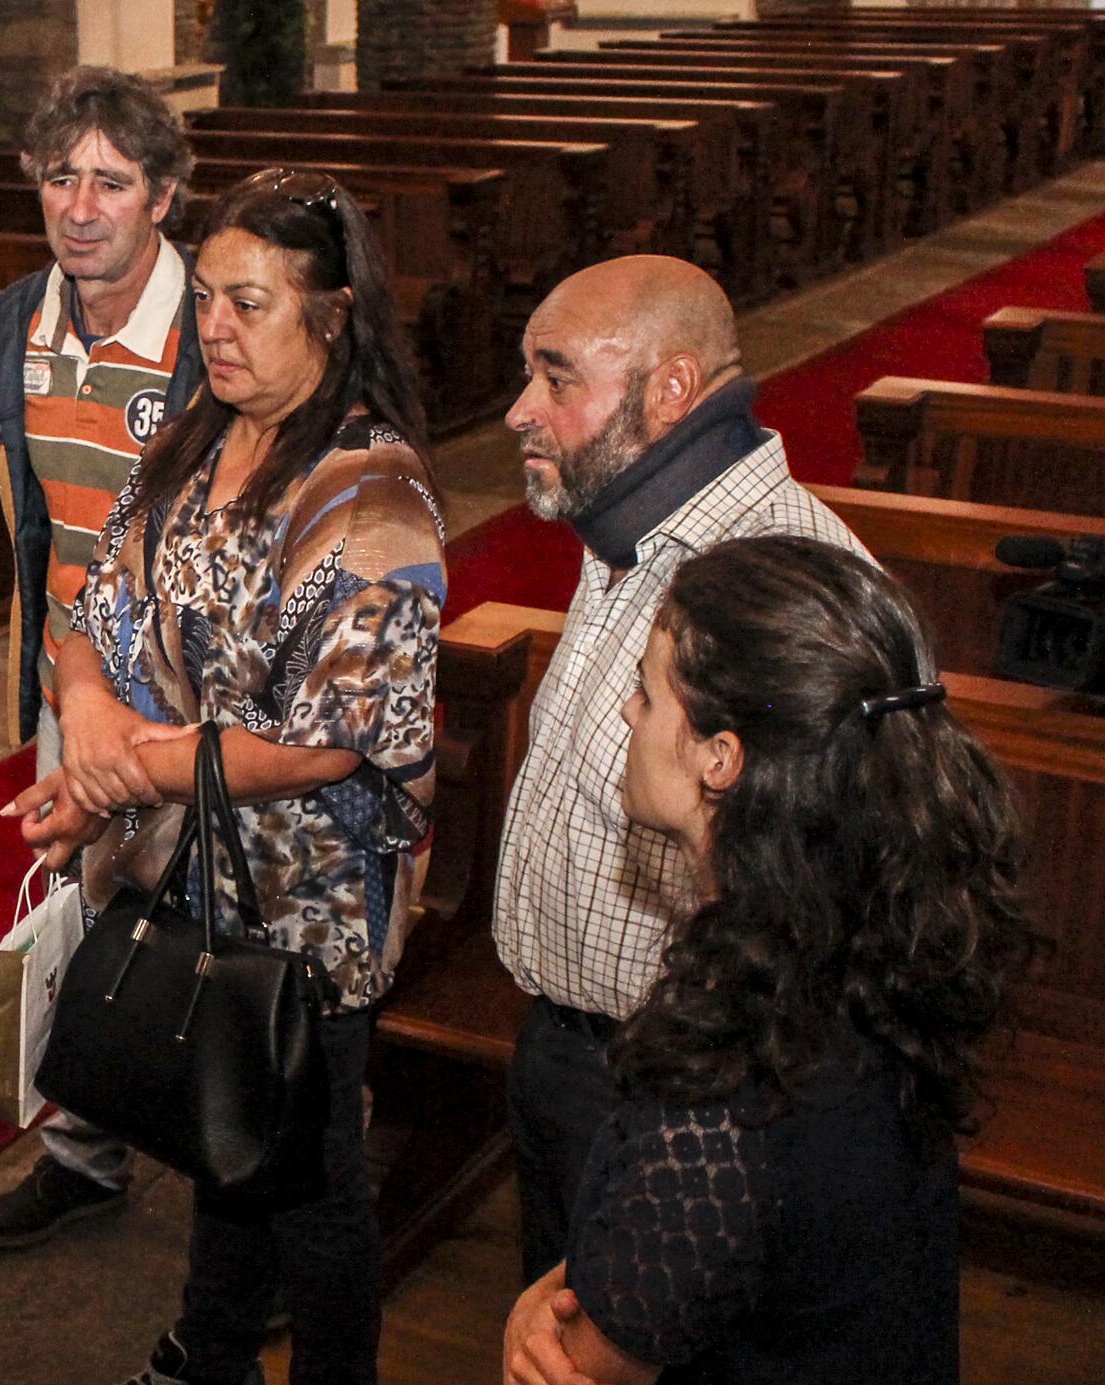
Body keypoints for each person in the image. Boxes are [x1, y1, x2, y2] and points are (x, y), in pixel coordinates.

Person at [10, 168, 447, 1385]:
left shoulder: (372, 488)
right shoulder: (198, 435)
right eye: (204, 297)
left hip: (308, 896)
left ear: (334, 312)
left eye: (249, 303)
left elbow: (331, 733)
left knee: (311, 1184)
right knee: (222, 1135)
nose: (214, 326)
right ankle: (207, 1347)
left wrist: (119, 774)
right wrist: (88, 707)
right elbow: (93, 600)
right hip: (187, 855)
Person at [500, 536, 1038, 1385]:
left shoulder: (720, 1093)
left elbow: (578, 1365)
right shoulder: (877, 949)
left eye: (645, 693)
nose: (629, 716)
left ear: (722, 756)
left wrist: (528, 1321)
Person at [488, 255, 864, 1286]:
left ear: (671, 389)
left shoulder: (784, 587)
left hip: (695, 1087)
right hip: (568, 1051)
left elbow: (818, 910)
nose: (521, 410)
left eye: (557, 378)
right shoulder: (628, 531)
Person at [0, 62, 209, 1251]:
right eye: (60, 177)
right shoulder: (11, 324)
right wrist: (67, 679)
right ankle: (84, 1149)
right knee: (82, 902)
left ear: (162, 195)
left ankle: (239, 1190)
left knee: (217, 925)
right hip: (73, 675)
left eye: (111, 181)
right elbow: (32, 520)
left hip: (200, 689)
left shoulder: (217, 325)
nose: (80, 205)